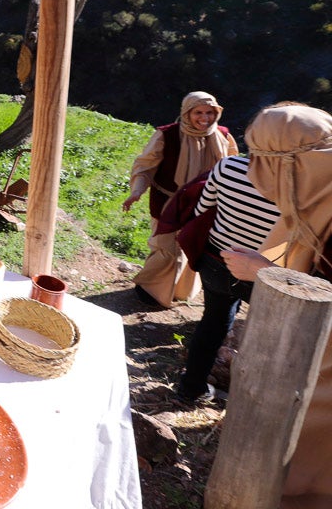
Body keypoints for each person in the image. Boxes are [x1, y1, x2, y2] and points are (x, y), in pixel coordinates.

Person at [221, 103, 332, 507]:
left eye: (259, 161)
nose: (253, 174)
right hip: (314, 369)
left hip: (326, 385)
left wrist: (266, 273)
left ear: (287, 165)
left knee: (308, 469)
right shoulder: (318, 196)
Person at [174, 151, 280, 402]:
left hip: (216, 262)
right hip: (265, 272)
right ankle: (252, 403)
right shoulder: (303, 185)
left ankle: (191, 389)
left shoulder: (228, 165)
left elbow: (202, 209)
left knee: (213, 323)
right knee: (272, 340)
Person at [122, 91, 238, 307]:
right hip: (168, 202)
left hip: (205, 204)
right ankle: (151, 291)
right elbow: (145, 166)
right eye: (198, 112)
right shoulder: (167, 135)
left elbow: (231, 170)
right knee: (164, 245)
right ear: (187, 113)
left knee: (193, 246)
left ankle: (181, 291)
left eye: (210, 112)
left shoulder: (223, 136)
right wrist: (136, 191)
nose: (205, 118)